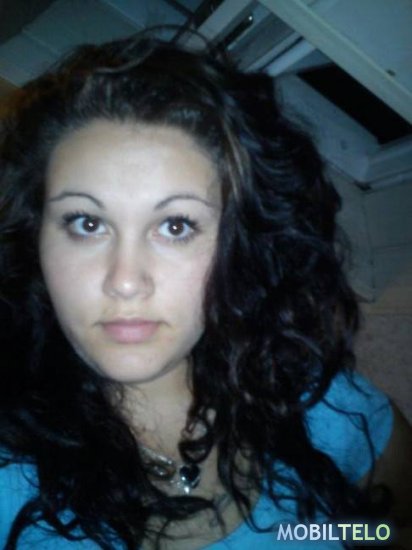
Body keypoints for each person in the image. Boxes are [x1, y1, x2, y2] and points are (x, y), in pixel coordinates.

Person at [0, 33, 411, 550]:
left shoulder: (322, 404)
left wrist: (326, 533)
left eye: (175, 226)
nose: (124, 280)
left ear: (240, 243)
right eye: (86, 223)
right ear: (35, 237)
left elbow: (389, 526)